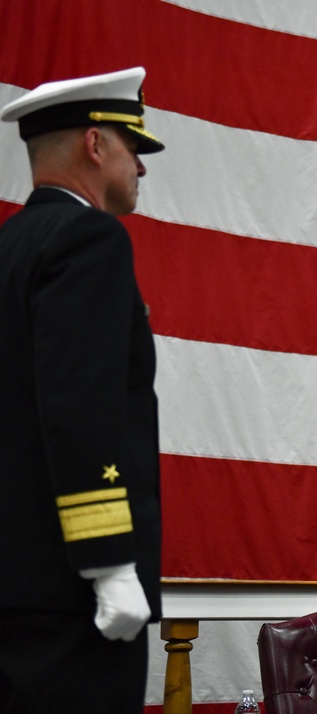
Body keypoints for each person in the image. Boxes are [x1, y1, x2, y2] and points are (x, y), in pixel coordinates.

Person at [0, 67, 164, 713]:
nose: (142, 169)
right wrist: (109, 564)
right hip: (73, 597)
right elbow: (80, 409)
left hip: (17, 584)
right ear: (96, 144)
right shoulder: (89, 240)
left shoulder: (11, 246)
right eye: (134, 148)